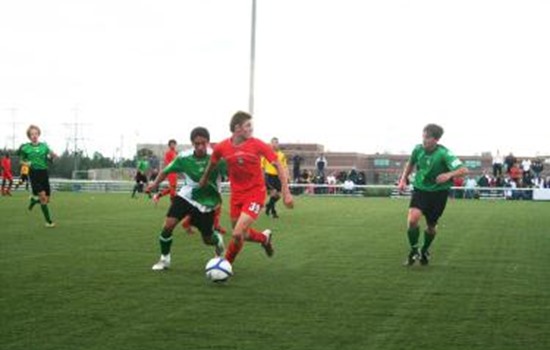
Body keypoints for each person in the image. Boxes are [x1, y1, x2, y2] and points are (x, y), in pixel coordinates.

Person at [199, 111, 293, 265]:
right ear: (237, 128)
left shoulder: (258, 144)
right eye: (248, 125)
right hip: (236, 195)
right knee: (242, 233)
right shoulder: (222, 147)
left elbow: (278, 165)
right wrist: (204, 178)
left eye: (251, 125)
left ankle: (226, 264)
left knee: (237, 233)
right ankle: (264, 238)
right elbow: (213, 162)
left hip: (255, 193)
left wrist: (286, 192)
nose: (251, 129)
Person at [145, 127, 225, 271]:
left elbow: (233, 174)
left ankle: (218, 240)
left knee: (207, 239)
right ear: (192, 143)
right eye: (197, 143)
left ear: (208, 142)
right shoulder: (183, 157)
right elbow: (165, 171)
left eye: (203, 143)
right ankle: (164, 260)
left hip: (206, 201)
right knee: (168, 226)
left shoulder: (217, 158)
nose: (200, 147)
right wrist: (154, 184)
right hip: (186, 196)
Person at [397, 124, 468, 266]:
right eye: (423, 136)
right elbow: (410, 164)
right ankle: (414, 250)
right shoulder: (417, 149)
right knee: (412, 220)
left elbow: (463, 169)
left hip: (438, 193)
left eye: (427, 138)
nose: (424, 140)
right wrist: (403, 179)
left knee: (431, 226)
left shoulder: (444, 153)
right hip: (421, 189)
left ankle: (424, 250)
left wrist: (448, 174)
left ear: (436, 139)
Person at [18, 125, 58, 227]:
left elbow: (50, 159)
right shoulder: (25, 148)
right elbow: (21, 161)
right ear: (29, 136)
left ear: (38, 134)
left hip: (44, 173)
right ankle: (48, 222)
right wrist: (26, 165)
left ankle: (34, 200)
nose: (34, 136)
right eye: (32, 134)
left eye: (36, 133)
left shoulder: (44, 146)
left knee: (47, 199)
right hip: (34, 173)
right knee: (43, 197)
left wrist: (53, 157)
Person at [261, 137, 288, 218]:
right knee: (274, 193)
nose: (274, 144)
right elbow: (262, 167)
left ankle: (268, 206)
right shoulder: (266, 154)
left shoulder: (282, 155)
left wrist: (286, 176)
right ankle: (273, 212)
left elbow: (284, 166)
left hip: (278, 176)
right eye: (273, 142)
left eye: (276, 142)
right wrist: (262, 178)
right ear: (270, 144)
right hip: (269, 176)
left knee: (278, 195)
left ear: (278, 144)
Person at [153, 139, 178, 203]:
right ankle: (173, 203)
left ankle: (158, 196)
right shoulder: (168, 153)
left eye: (174, 144)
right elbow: (166, 162)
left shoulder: (176, 152)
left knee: (172, 188)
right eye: (171, 144)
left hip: (175, 172)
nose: (173, 145)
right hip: (171, 172)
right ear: (169, 145)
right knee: (173, 189)